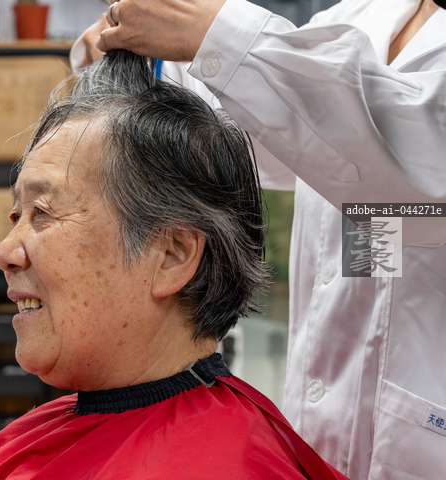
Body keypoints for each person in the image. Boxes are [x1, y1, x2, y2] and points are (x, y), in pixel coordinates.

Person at [71, 1, 446, 479]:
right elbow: (277, 135)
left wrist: (218, 36)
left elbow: (421, 172)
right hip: (325, 429)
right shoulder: (366, 14)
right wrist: (158, 51)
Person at [0, 50, 347, 480]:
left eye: (42, 212)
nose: (5, 252)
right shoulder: (61, 425)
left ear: (171, 256)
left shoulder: (222, 465)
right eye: (16, 215)